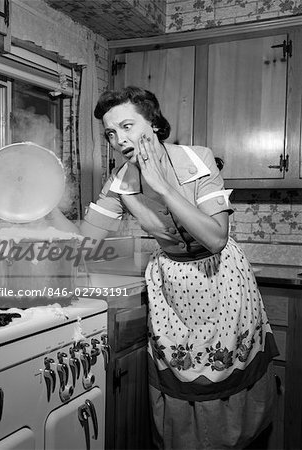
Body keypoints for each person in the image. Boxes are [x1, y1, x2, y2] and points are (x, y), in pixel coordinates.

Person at [80, 86, 279, 449]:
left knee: (229, 375)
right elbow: (85, 242)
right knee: (180, 378)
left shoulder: (196, 159)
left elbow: (216, 238)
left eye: (127, 126)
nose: (118, 139)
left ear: (153, 123)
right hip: (171, 286)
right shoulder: (121, 181)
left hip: (220, 278)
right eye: (110, 133)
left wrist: (162, 186)